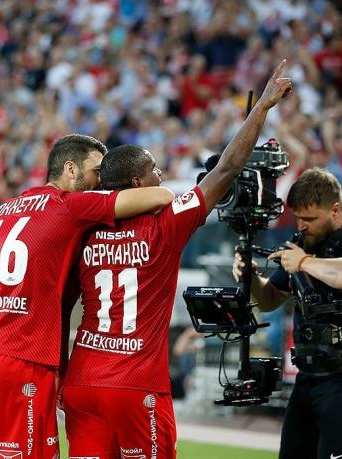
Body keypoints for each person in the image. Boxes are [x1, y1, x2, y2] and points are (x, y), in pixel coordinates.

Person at [61, 60, 293, 458]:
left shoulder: (82, 226)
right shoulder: (166, 224)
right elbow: (228, 167)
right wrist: (263, 107)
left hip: (82, 382)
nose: (162, 173)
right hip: (135, 385)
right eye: (154, 169)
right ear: (137, 183)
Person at [0, 134, 175, 459]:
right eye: (96, 171)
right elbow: (159, 197)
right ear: (70, 169)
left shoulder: (3, 210)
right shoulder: (69, 205)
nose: (101, 182)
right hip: (18, 359)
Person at [232, 168, 342, 459]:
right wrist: (251, 278)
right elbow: (270, 299)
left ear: (335, 210)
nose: (302, 225)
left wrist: (305, 261)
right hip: (309, 374)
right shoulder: (305, 243)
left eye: (309, 218)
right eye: (297, 217)